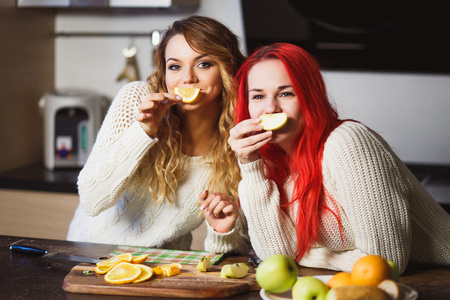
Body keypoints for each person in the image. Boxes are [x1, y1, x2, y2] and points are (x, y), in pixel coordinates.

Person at [228, 42, 450, 274]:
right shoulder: (274, 160)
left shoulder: (347, 142)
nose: (270, 108)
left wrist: (306, 256)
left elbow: (385, 262)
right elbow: (277, 259)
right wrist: (250, 166)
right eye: (258, 96)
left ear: (309, 96)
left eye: (286, 93)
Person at [67, 15, 251, 254]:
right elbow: (92, 200)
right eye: (175, 66)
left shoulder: (239, 145)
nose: (187, 78)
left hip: (163, 268)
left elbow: (238, 252)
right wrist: (142, 132)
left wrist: (222, 231)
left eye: (204, 64)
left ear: (227, 69)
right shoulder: (135, 100)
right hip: (88, 256)